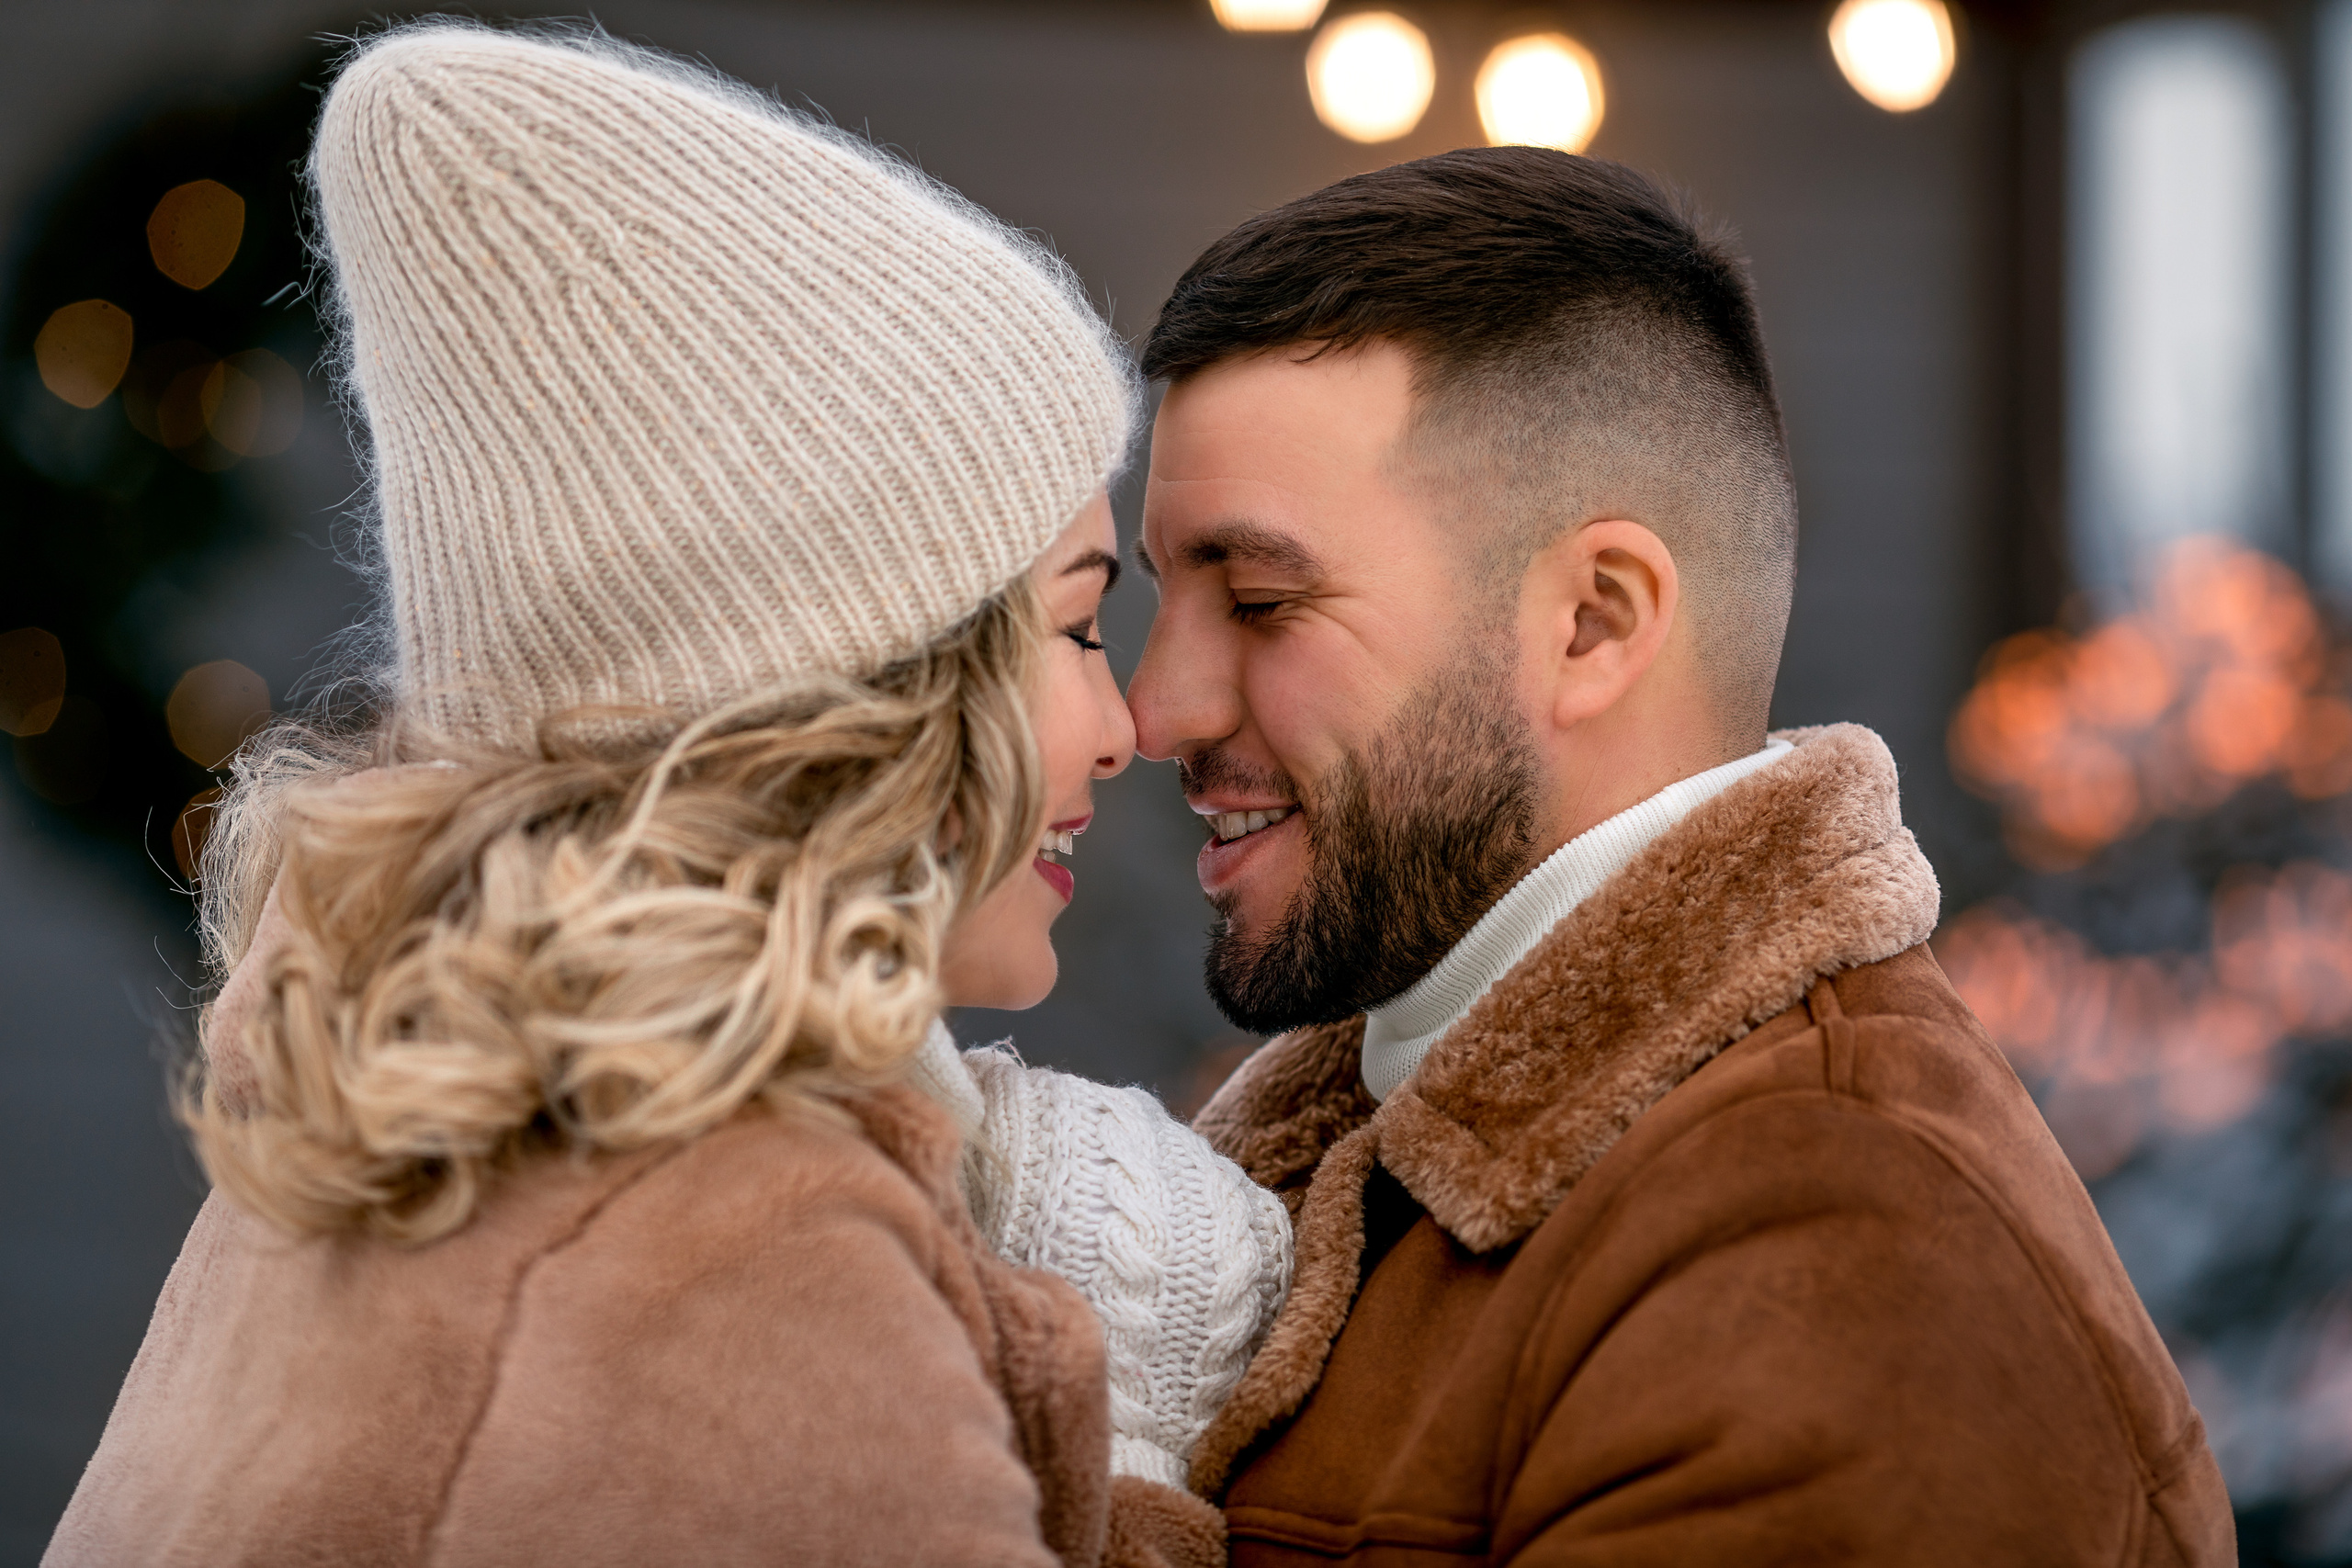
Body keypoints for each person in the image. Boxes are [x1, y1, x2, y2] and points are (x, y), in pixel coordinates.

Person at [45, 25, 1286, 1567]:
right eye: (1077, 625)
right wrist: (1135, 1447)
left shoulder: (419, 1144)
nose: (1124, 728)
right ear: (858, 691)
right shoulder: (741, 1269)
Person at [1127, 148, 2235, 1563]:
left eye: (1260, 599)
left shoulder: (1845, 1261)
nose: (1155, 709)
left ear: (1591, 622)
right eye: (1161, 596)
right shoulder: (1385, 1149)